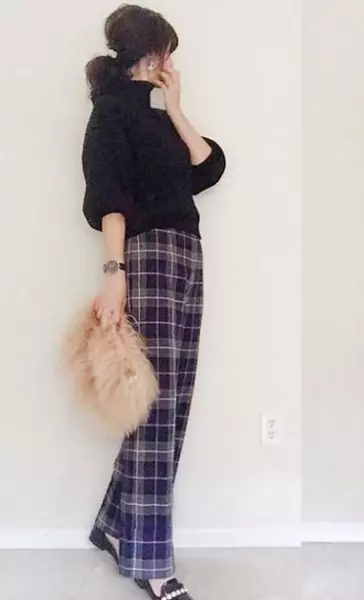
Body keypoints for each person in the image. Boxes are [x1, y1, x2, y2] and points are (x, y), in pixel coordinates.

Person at [81, 5, 226, 600]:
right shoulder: (111, 112)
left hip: (187, 254)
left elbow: (209, 167)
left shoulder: (162, 118)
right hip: (146, 258)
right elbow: (108, 198)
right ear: (156, 52)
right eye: (169, 51)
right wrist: (114, 274)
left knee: (172, 400)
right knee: (156, 408)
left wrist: (177, 107)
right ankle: (150, 559)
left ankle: (117, 525)